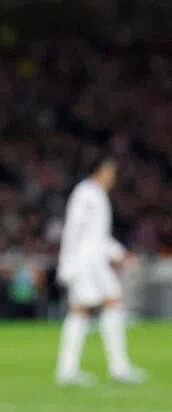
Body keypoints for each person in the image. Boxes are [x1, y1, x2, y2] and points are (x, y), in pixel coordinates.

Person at [54, 157, 147, 386]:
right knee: (83, 309)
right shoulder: (85, 193)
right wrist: (67, 263)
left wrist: (119, 254)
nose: (112, 176)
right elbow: (73, 230)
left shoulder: (98, 194)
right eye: (109, 171)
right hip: (84, 263)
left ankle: (116, 367)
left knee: (108, 303)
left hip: (95, 262)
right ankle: (70, 370)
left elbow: (98, 236)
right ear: (99, 170)